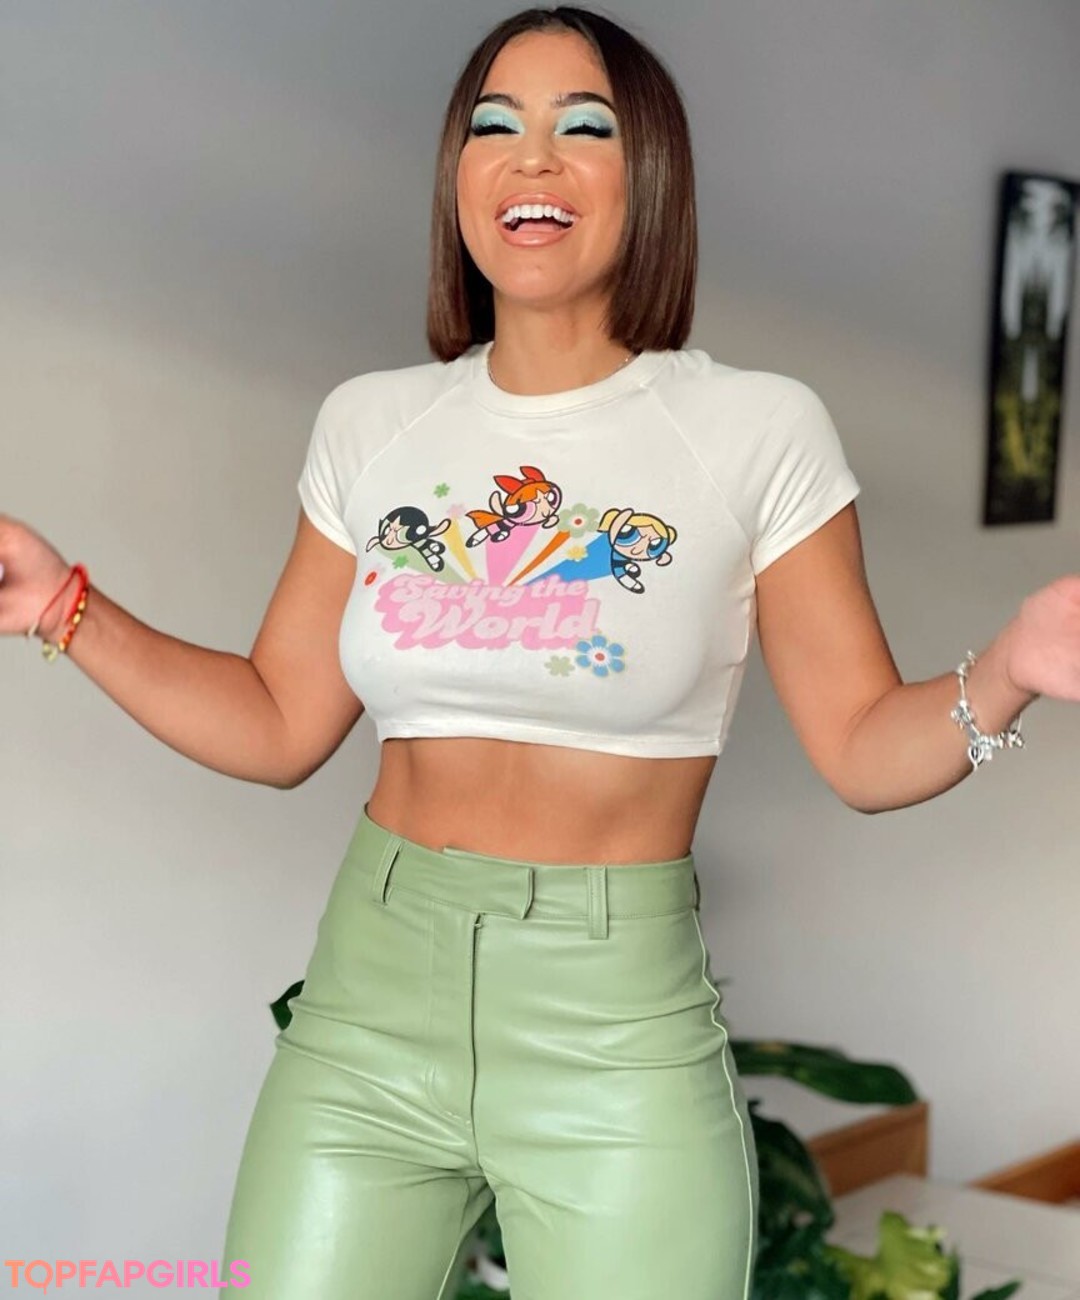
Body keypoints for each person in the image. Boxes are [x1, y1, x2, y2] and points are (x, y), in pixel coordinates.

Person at [2, 6, 1078, 1298]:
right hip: (368, 1004)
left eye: (586, 128)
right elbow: (280, 720)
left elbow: (860, 747)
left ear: (651, 176)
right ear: (458, 175)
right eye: (494, 126)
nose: (532, 158)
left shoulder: (755, 431)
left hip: (614, 1031)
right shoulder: (372, 425)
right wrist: (62, 604)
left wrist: (1014, 662)